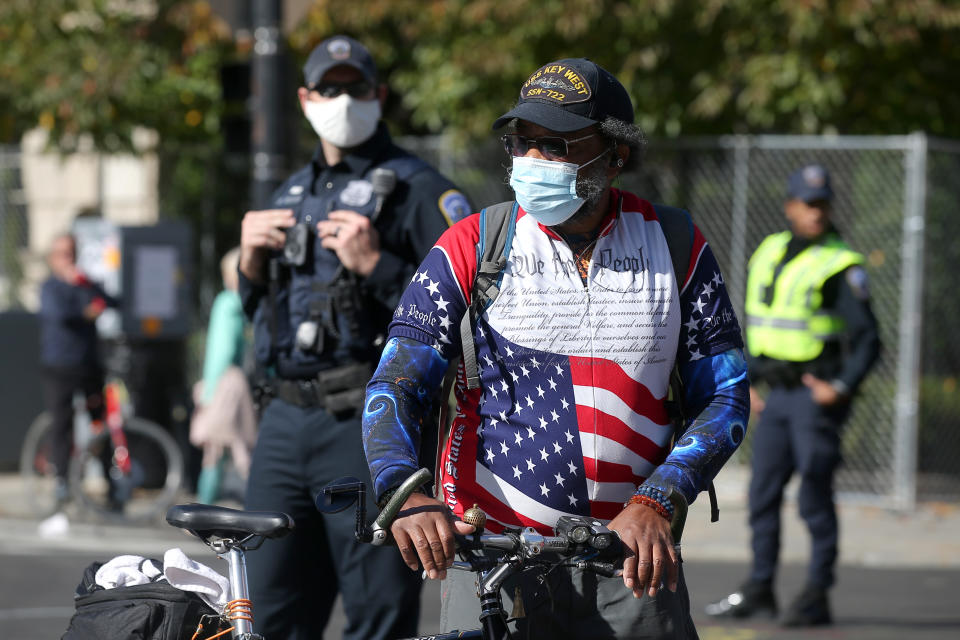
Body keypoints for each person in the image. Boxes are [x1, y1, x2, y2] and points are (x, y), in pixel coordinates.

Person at [362, 57, 750, 640]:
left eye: (556, 145)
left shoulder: (675, 242)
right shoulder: (472, 243)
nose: (532, 161)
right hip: (495, 557)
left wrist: (661, 499)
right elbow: (396, 383)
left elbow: (725, 394)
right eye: (522, 143)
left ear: (614, 155)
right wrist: (405, 491)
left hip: (633, 565)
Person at [237, 35, 472, 640]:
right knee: (266, 608)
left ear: (380, 95)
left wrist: (377, 267)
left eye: (356, 87)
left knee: (376, 612)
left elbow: (470, 313)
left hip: (367, 420)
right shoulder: (292, 192)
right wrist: (249, 267)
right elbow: (263, 318)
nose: (343, 99)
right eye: (329, 88)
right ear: (305, 97)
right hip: (285, 422)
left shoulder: (421, 190)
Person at [706, 164, 880, 627]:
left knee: (813, 500)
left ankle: (817, 593)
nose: (816, 212)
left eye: (822, 204)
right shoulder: (771, 250)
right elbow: (756, 324)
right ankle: (761, 587)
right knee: (762, 495)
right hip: (774, 395)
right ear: (790, 206)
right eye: (808, 203)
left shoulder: (840, 265)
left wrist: (839, 388)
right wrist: (752, 381)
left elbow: (869, 340)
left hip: (811, 397)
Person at [38, 232, 118, 507]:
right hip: (59, 365)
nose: (68, 259)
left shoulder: (86, 284)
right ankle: (61, 481)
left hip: (89, 365)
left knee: (101, 422)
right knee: (62, 424)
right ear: (53, 258)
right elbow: (60, 314)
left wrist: (89, 290)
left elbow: (112, 301)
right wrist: (87, 310)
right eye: (62, 254)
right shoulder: (51, 287)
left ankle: (111, 481)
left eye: (71, 253)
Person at [189, 247, 256, 504]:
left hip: (225, 383)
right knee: (241, 447)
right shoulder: (249, 304)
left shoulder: (226, 302)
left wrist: (207, 393)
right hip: (245, 383)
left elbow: (221, 351)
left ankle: (204, 509)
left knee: (215, 449)